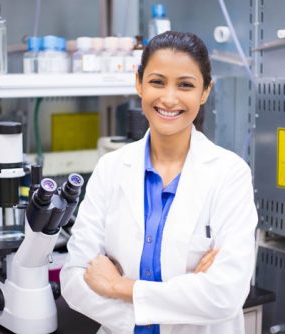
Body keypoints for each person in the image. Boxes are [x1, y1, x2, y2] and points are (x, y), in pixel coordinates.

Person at [60, 31, 258, 334]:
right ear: (139, 83)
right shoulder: (111, 168)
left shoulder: (230, 174)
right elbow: (74, 279)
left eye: (186, 85)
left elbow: (225, 295)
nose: (168, 98)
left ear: (205, 92)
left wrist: (117, 286)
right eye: (157, 81)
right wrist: (181, 298)